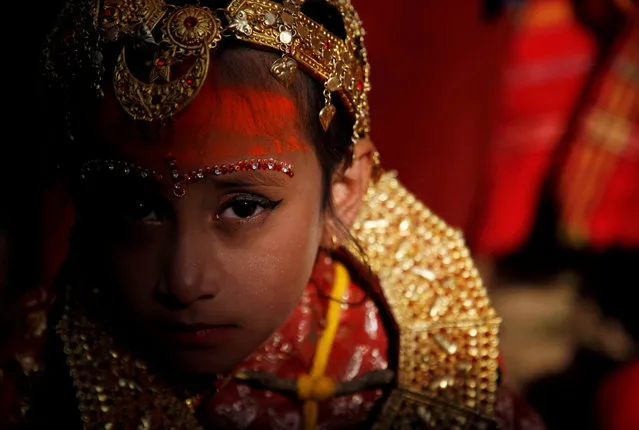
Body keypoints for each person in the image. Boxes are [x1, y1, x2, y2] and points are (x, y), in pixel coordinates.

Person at [0, 0, 544, 428]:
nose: (185, 281)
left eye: (242, 206)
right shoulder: (30, 370)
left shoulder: (404, 359)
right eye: (139, 207)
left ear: (346, 188)